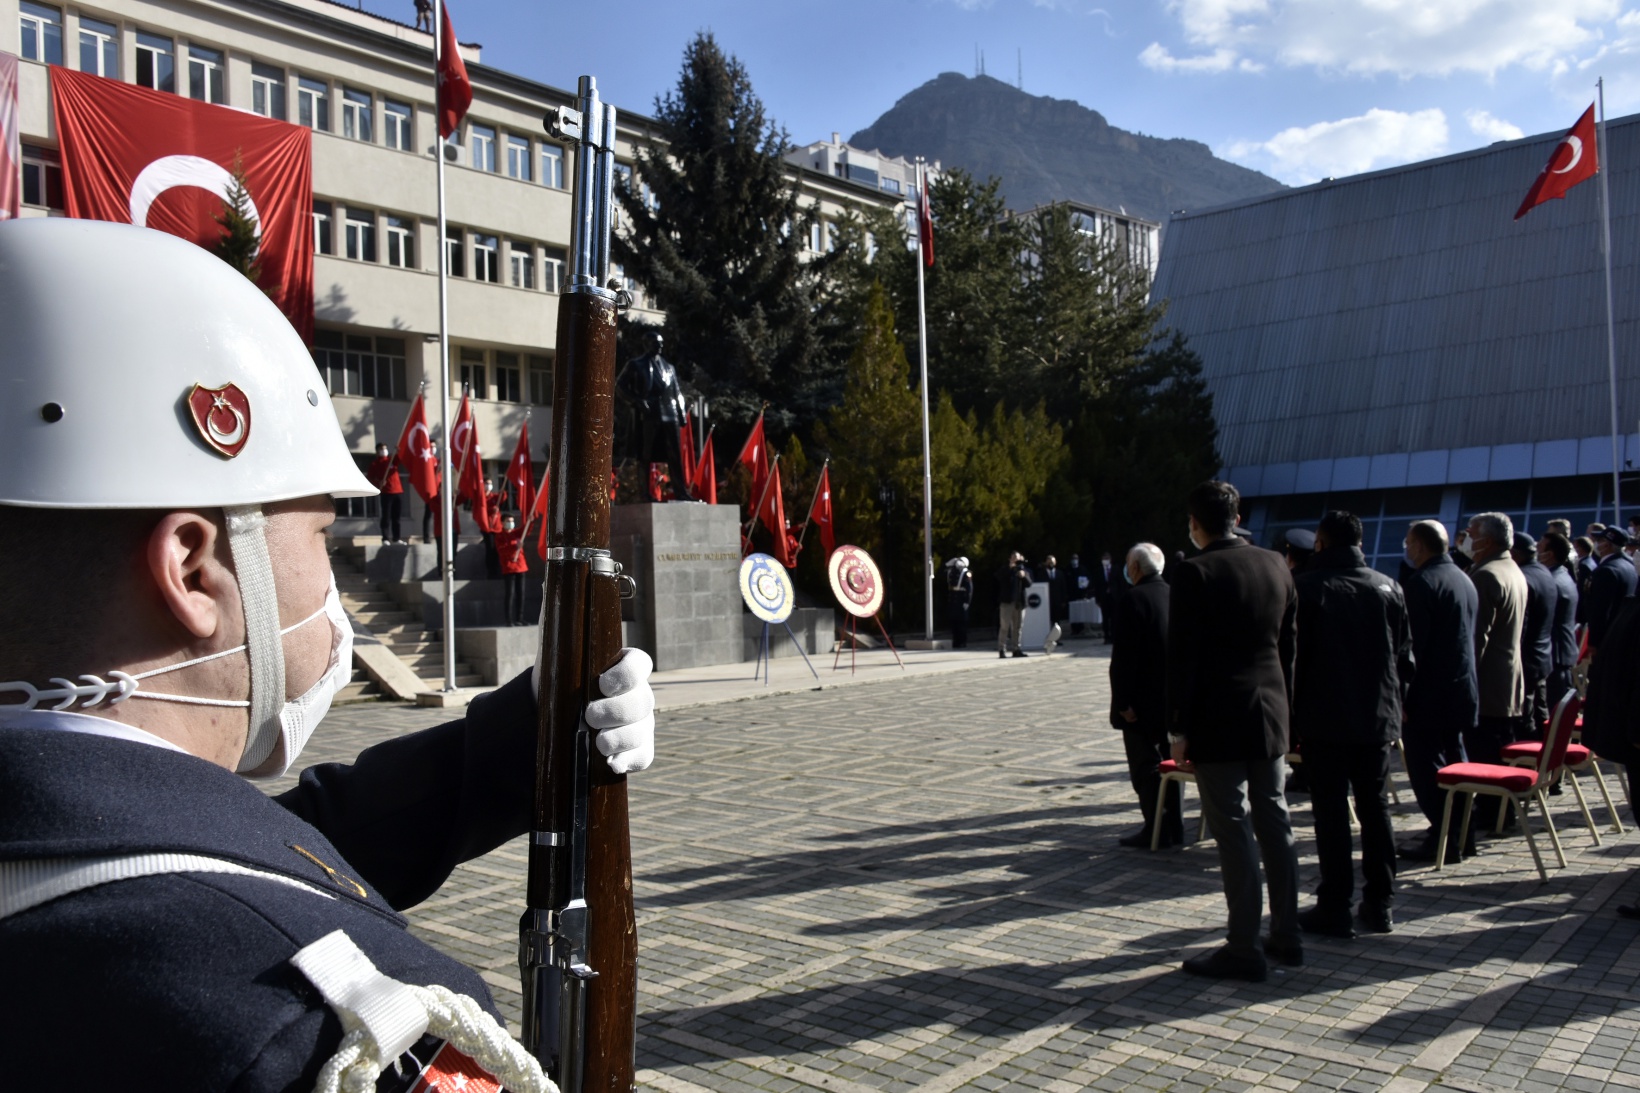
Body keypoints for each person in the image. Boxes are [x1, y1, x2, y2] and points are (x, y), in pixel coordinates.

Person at [0, 219, 657, 1088]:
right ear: (194, 569)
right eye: (318, 531)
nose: (330, 581)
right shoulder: (324, 1025)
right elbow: (232, 894)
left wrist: (527, 735)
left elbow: (251, 844)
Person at [1167, 480, 1301, 981]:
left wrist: (1177, 727)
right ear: (1238, 515)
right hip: (1272, 711)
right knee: (1275, 821)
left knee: (1232, 830)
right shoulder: (1275, 565)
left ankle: (1243, 945)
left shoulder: (1195, 571)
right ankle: (1287, 932)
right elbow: (1289, 648)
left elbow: (1182, 658)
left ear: (1195, 523)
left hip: (1219, 716)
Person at [1291, 511, 1412, 937]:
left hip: (1324, 719)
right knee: (1375, 809)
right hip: (1376, 718)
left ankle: (1335, 904)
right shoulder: (1388, 587)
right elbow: (1404, 659)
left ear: (1320, 543)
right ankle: (1379, 904)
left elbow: (1293, 662)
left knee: (1331, 813)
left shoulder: (1306, 588)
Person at [1399, 519, 1479, 862]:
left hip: (1428, 695)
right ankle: (1460, 834)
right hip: (1460, 688)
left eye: (1408, 543)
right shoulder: (1463, 578)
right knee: (1455, 764)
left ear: (1418, 545)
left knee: (1427, 766)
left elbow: (1411, 649)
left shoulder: (1423, 583)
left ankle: (1445, 836)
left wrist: (1400, 694)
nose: (1406, 549)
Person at [1109, 544, 1180, 849]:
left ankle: (1156, 829)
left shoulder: (1133, 599)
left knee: (1145, 768)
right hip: (1171, 700)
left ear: (1134, 568)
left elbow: (1124, 659)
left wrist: (1123, 703)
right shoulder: (1174, 595)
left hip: (1141, 705)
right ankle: (1173, 826)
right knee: (1170, 766)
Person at [1461, 511, 1527, 829]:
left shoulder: (1486, 575)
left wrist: (1463, 684)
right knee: (1496, 751)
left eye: (1471, 532)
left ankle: (1494, 817)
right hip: (1507, 681)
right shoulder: (1511, 568)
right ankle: (1499, 814)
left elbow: (1475, 641)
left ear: (1485, 540)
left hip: (1487, 684)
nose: (1466, 538)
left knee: (1486, 757)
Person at [1511, 531, 1557, 738]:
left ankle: (1528, 762)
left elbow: (1523, 624)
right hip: (1542, 654)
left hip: (1527, 658)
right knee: (1540, 711)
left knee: (1527, 717)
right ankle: (1546, 759)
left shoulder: (1524, 578)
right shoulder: (1544, 572)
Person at [1538, 531, 1580, 704]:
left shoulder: (1551, 581)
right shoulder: (1563, 575)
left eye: (1539, 546)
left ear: (1549, 555)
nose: (1536, 548)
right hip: (1561, 653)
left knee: (1550, 709)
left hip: (1554, 656)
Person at [1583, 527, 1639, 653]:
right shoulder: (1630, 565)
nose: (1596, 543)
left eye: (1599, 540)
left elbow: (1600, 610)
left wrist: (1594, 642)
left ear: (1606, 545)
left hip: (1606, 639)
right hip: (1622, 634)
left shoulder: (1606, 570)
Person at [494, 514, 530, 626]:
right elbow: (502, 550)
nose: (510, 523)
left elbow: (526, 528)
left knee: (521, 594)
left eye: (512, 520)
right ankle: (509, 619)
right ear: (503, 523)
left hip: (521, 566)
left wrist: (529, 519)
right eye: (508, 521)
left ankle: (520, 618)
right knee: (510, 594)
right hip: (509, 568)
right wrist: (514, 546)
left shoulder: (516, 533)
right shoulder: (499, 536)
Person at [367, 442, 406, 544]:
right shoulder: (375, 464)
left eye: (385, 448)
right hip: (386, 493)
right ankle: (385, 538)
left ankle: (396, 538)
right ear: (377, 451)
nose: (384, 451)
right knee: (386, 516)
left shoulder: (391, 460)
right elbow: (370, 477)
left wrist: (398, 450)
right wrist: (378, 482)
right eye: (381, 449)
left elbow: (401, 457)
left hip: (397, 491)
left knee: (396, 517)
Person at [996, 552, 1031, 659]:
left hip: (1019, 603)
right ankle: (1002, 649)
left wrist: (1023, 576)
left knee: (1018, 627)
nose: (1016, 560)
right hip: (1007, 603)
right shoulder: (1005, 569)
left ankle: (1016, 649)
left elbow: (1029, 584)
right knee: (1004, 627)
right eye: (1014, 557)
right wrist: (1009, 569)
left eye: (1018, 558)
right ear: (1010, 558)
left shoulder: (1023, 570)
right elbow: (998, 577)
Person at [945, 556, 974, 648]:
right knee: (954, 623)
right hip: (953, 600)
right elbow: (942, 571)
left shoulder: (966, 573)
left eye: (961, 561)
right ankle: (956, 641)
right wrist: (948, 563)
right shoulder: (952, 572)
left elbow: (969, 589)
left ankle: (962, 642)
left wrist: (967, 602)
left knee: (962, 623)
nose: (958, 562)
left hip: (961, 601)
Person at [1037, 554, 1069, 628]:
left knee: (1057, 621)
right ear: (1045, 563)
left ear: (1055, 563)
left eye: (1052, 562)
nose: (1050, 564)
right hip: (1046, 601)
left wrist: (1064, 600)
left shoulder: (1060, 573)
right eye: (1049, 562)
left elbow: (1063, 587)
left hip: (1057, 601)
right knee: (1046, 620)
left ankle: (1056, 637)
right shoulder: (1041, 574)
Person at [1093, 552, 1119, 642]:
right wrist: (1097, 599)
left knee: (1114, 618)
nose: (1105, 560)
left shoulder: (1116, 569)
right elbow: (1096, 586)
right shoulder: (1098, 571)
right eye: (1104, 558)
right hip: (1104, 598)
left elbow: (1120, 584)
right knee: (1105, 618)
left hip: (1114, 597)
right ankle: (1106, 636)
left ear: (1110, 559)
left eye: (1107, 558)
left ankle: (1113, 636)